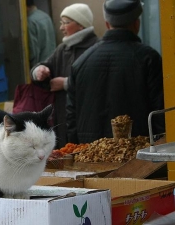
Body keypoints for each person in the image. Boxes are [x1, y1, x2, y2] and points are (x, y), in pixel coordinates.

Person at [66, 0, 165, 144]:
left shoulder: (81, 62)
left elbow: (71, 118)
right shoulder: (149, 59)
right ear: (137, 24)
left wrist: (77, 153)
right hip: (138, 157)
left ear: (107, 25)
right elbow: (160, 114)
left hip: (91, 156)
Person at [30, 3, 98, 148]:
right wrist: (39, 71)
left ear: (81, 25)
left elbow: (99, 82)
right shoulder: (62, 49)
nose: (61, 28)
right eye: (61, 23)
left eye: (66, 23)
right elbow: (46, 66)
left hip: (89, 120)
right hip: (63, 119)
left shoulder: (96, 48)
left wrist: (67, 83)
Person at [26, 0, 56, 68]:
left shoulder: (30, 21)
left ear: (26, 7)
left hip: (40, 67)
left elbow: (33, 51)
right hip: (52, 62)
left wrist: (32, 70)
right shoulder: (45, 15)